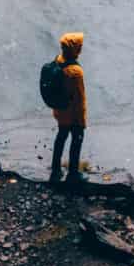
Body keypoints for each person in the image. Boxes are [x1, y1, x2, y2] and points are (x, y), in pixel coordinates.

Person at [47, 31, 87, 189]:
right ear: (75, 49)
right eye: (80, 46)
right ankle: (73, 173)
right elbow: (80, 98)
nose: (81, 48)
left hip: (60, 111)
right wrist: (82, 120)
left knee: (61, 138)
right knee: (76, 141)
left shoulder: (58, 60)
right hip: (73, 115)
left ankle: (56, 170)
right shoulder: (75, 72)